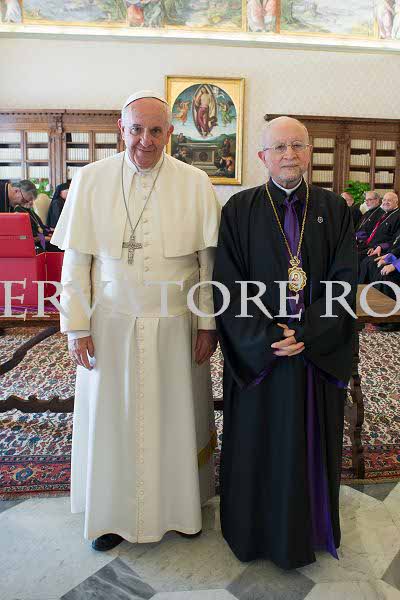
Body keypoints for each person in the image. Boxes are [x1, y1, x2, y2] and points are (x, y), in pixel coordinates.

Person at [51, 90, 221, 552]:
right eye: (136, 129)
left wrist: (207, 325)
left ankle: (181, 511)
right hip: (110, 324)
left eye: (155, 130)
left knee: (176, 419)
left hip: (176, 325)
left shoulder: (195, 183)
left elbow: (207, 265)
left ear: (170, 133)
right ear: (121, 129)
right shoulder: (90, 179)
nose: (145, 140)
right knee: (113, 421)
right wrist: (76, 327)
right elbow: (76, 261)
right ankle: (110, 516)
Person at [213, 116, 357, 570]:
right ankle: (254, 533)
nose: (289, 154)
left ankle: (309, 530)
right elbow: (228, 284)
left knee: (309, 446)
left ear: (310, 152)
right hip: (262, 354)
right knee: (261, 445)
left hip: (316, 352)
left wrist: (307, 332)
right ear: (262, 156)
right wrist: (269, 336)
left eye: (297, 145)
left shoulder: (335, 209)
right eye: (279, 147)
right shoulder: (239, 209)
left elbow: (345, 278)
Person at [358, 192, 400, 262]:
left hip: (385, 250)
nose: (386, 202)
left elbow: (394, 239)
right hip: (371, 246)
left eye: (389, 200)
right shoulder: (385, 214)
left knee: (364, 260)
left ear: (396, 202)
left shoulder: (398, 216)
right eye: (384, 200)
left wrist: (380, 247)